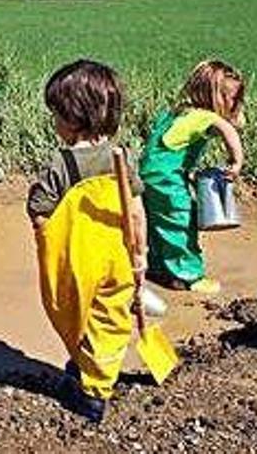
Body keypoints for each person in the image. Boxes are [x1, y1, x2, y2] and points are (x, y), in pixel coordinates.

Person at [28, 59, 159, 423]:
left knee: (72, 312)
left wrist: (45, 238)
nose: (54, 123)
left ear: (72, 118)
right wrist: (141, 255)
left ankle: (93, 393)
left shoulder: (62, 164)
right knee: (111, 319)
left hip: (79, 261)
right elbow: (136, 212)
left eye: (56, 115)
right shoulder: (122, 158)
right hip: (118, 256)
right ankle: (93, 370)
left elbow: (40, 213)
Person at [139, 59, 245, 295]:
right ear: (215, 97)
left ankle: (159, 267)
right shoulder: (206, 117)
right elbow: (229, 129)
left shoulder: (178, 112)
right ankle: (189, 275)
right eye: (233, 99)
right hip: (165, 177)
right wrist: (236, 162)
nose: (236, 104)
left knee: (158, 222)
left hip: (149, 174)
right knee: (180, 219)